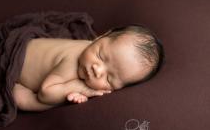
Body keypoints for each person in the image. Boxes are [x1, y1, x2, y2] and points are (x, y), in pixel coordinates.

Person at [12, 25, 165, 111]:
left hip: (32, 53)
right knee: (38, 103)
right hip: (16, 62)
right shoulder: (72, 62)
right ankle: (16, 93)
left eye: (109, 78)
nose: (97, 70)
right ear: (100, 36)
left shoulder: (89, 49)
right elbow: (45, 93)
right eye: (100, 55)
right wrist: (80, 88)